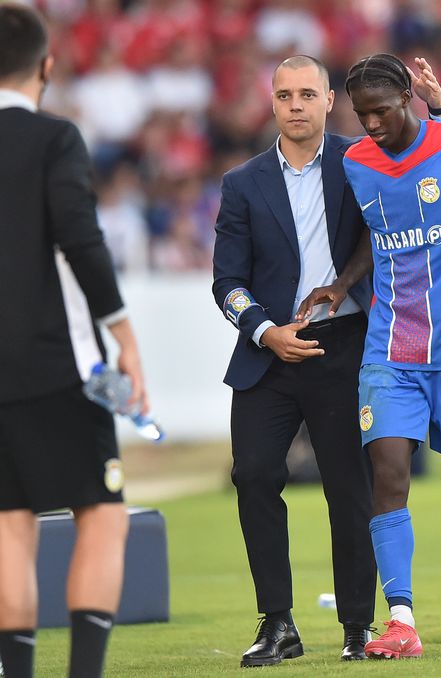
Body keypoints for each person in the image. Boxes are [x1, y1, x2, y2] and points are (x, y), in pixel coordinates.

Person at [211, 54, 441, 667]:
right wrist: (265, 331)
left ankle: (356, 625)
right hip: (268, 353)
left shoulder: (361, 162)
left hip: (348, 349)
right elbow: (226, 282)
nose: (295, 105)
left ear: (328, 102)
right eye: (284, 94)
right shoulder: (243, 183)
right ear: (272, 102)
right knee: (255, 477)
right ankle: (278, 623)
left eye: (307, 94)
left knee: (351, 490)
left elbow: (440, 165)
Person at [299, 53, 441, 658]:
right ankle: (401, 621)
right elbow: (374, 232)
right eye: (361, 114)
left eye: (382, 112)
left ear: (408, 100)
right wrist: (342, 285)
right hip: (390, 349)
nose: (370, 125)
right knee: (387, 477)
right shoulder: (357, 164)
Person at [0, 4, 150, 678]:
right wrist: (125, 339)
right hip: (60, 364)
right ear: (47, 66)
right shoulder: (55, 139)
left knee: (8, 525)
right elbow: (81, 242)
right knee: (101, 513)